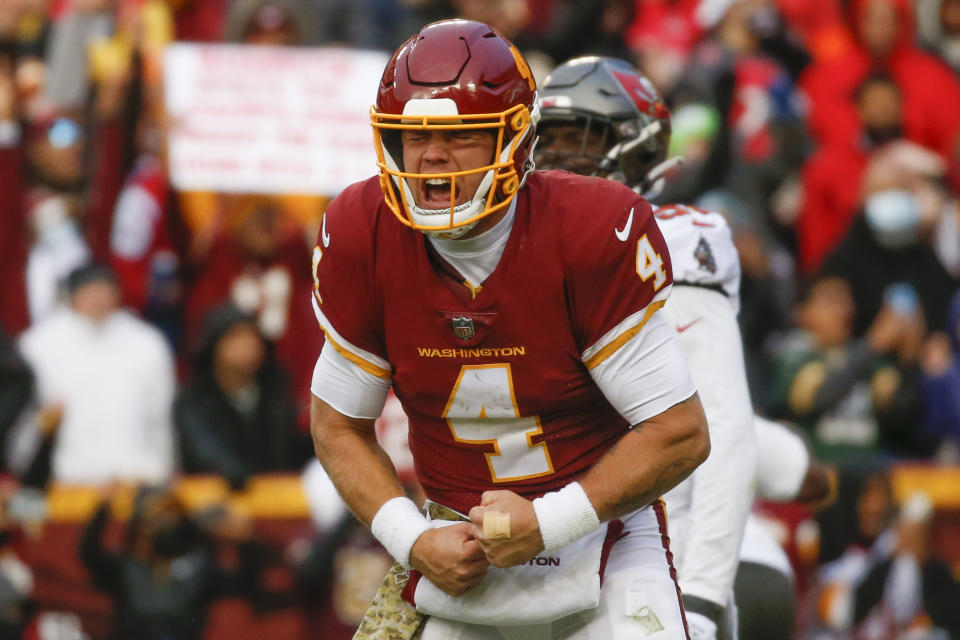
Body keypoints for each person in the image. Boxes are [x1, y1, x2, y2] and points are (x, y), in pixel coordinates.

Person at [309, 19, 710, 640]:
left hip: (599, 540)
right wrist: (410, 538)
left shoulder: (586, 229)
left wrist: (549, 524)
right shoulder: (363, 234)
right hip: (457, 552)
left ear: (519, 141)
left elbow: (680, 432)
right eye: (412, 137)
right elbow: (337, 424)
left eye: (460, 135)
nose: (431, 157)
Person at [535, 56, 756, 640]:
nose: (555, 158)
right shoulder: (518, 248)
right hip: (541, 543)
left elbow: (726, 425)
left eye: (579, 139)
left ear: (637, 150)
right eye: (546, 140)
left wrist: (703, 594)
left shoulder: (672, 240)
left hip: (652, 544)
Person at [15, 263, 177, 485]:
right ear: (72, 296)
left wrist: (165, 463)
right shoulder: (39, 344)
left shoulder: (145, 342)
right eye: (90, 291)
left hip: (135, 472)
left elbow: (160, 412)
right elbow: (27, 418)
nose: (98, 299)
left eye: (105, 291)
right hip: (64, 473)